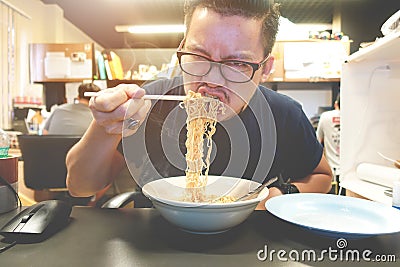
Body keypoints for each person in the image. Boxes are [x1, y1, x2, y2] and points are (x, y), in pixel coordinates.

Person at [66, 0, 332, 210]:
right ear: (181, 48)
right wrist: (105, 127)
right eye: (198, 55)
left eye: (237, 63)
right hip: (154, 238)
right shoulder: (147, 103)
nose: (211, 80)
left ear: (265, 68)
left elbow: (321, 176)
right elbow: (80, 187)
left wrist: (280, 195)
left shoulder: (282, 113)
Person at [316, 94, 341, 187]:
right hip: (349, 173)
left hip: (331, 171)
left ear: (335, 104)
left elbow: (317, 142)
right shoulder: (354, 117)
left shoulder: (325, 116)